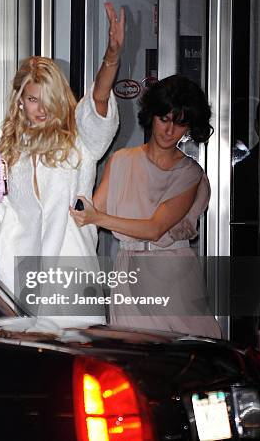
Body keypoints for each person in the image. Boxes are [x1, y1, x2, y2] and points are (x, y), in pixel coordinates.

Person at [0, 3, 124, 317]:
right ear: (20, 101)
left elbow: (99, 101)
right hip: (18, 287)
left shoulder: (79, 140)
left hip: (72, 284)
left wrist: (112, 56)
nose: (41, 109)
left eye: (48, 100)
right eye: (33, 99)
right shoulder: (6, 149)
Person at [69, 74, 221, 338]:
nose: (169, 131)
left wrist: (97, 218)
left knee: (188, 353)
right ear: (152, 115)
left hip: (172, 270)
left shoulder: (190, 173)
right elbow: (87, 211)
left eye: (180, 124)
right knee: (133, 355)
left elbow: (155, 228)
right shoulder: (121, 161)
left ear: (189, 128)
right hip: (128, 266)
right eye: (164, 120)